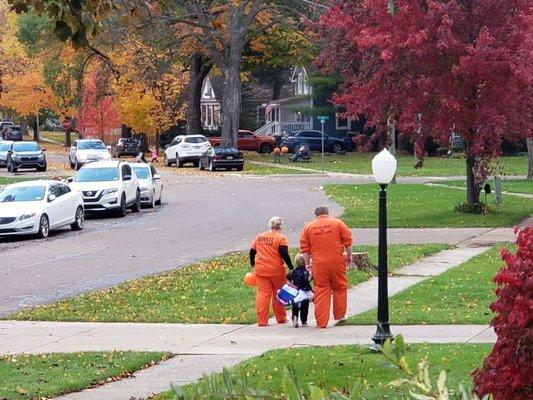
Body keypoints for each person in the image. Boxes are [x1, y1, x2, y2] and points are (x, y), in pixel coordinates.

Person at [299, 207, 353, 328]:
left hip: (319, 264)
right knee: (340, 287)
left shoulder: (308, 228)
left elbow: (305, 249)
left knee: (321, 290)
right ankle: (340, 315)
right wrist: (349, 256)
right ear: (328, 213)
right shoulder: (338, 223)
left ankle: (321, 322)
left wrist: (307, 264)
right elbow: (348, 242)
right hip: (337, 262)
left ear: (316, 215)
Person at [250, 216, 294, 326]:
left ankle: (262, 321)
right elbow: (284, 254)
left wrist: (253, 264)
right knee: (278, 293)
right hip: (276, 271)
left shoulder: (260, 237)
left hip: (260, 270)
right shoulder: (281, 238)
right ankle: (281, 318)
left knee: (263, 293)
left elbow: (252, 251)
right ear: (281, 226)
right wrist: (291, 267)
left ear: (269, 225)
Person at [286, 253, 313, 328]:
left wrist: (290, 283)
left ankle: (295, 318)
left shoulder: (293, 271)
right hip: (304, 292)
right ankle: (304, 321)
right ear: (305, 262)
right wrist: (311, 275)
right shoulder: (305, 271)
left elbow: (288, 277)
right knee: (304, 308)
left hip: (296, 293)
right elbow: (307, 280)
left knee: (295, 308)